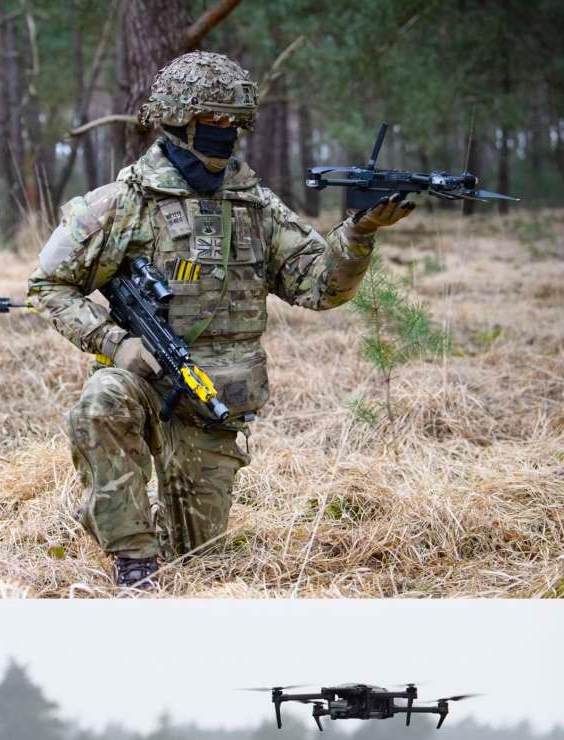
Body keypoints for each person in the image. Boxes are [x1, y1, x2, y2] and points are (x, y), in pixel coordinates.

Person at [27, 52, 414, 590]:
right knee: (101, 402)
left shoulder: (255, 206)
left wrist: (359, 234)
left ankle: (125, 518)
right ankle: (131, 555)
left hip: (213, 401)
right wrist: (114, 344)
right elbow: (48, 285)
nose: (228, 133)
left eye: (237, 123)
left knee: (198, 557)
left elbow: (321, 287)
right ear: (180, 120)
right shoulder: (122, 204)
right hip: (140, 378)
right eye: (216, 122)